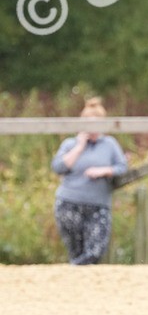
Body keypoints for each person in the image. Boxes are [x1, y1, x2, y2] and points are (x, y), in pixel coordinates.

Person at [51, 97, 128, 264]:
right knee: (76, 252)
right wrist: (79, 147)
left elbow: (122, 167)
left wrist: (104, 171)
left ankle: (73, 272)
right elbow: (58, 167)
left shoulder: (109, 144)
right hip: (69, 203)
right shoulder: (70, 144)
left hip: (98, 206)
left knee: (95, 252)